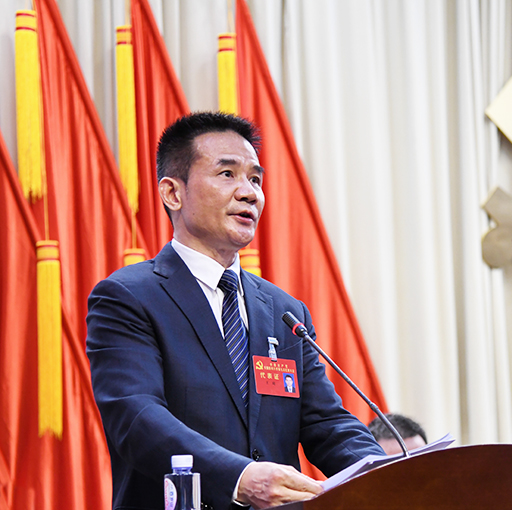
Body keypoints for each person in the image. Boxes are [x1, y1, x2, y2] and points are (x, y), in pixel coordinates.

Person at [86, 112, 384, 510]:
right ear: (173, 193)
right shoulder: (128, 297)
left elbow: (326, 423)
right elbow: (136, 419)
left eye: (256, 179)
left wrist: (390, 476)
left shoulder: (284, 311)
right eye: (227, 174)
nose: (249, 193)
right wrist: (238, 478)